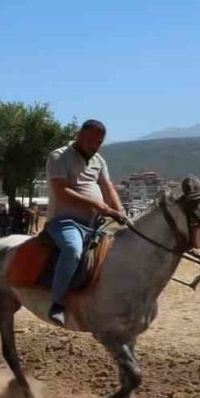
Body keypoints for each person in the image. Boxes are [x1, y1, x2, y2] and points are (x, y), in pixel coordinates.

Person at [45, 120, 126, 327]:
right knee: (72, 250)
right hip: (64, 221)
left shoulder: (99, 160)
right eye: (90, 140)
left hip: (94, 223)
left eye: (99, 142)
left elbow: (108, 187)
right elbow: (61, 190)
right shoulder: (59, 156)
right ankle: (58, 303)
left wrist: (120, 212)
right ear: (79, 134)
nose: (94, 145)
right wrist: (100, 206)